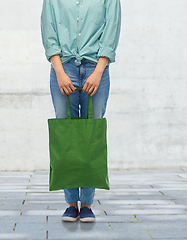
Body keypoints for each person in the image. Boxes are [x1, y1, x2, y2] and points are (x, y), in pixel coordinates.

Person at [41, 0, 121, 222]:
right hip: (63, 68)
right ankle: (70, 204)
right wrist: (59, 71)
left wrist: (98, 72)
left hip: (96, 68)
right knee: (65, 133)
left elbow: (111, 30)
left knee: (91, 133)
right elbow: (49, 32)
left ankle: (86, 204)